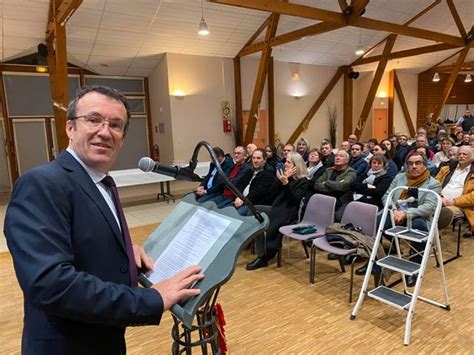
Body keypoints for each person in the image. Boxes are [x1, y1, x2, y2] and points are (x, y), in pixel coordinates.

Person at [4, 86, 204, 354]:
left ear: (122, 137)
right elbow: (51, 284)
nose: (105, 131)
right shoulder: (41, 184)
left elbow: (82, 239)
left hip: (102, 337)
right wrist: (151, 299)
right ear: (70, 128)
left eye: (116, 124)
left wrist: (122, 251)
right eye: (94, 119)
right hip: (67, 344)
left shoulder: (100, 181)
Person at [381, 152, 441, 287]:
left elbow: (429, 207)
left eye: (418, 163)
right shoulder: (399, 177)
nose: (414, 166)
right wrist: (394, 210)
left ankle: (414, 267)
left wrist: (405, 213)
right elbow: (387, 196)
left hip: (418, 216)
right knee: (378, 220)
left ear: (425, 166)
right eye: (410, 163)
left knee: (419, 227)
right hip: (396, 212)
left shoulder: (433, 184)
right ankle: (375, 261)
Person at [246, 152, 309, 270]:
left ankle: (264, 255)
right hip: (278, 207)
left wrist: (285, 183)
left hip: (289, 212)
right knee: (255, 212)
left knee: (267, 221)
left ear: (296, 165)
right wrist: (281, 179)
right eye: (285, 161)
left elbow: (294, 201)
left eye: (288, 162)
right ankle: (261, 251)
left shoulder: (304, 181)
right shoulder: (286, 177)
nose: (285, 164)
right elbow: (273, 192)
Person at [436, 145, 474, 238]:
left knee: (439, 213)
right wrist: (440, 197)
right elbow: (434, 184)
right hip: (439, 200)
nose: (461, 156)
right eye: (459, 154)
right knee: (423, 209)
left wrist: (452, 201)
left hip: (460, 205)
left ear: (472, 157)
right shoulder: (446, 169)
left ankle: (430, 243)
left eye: (465, 154)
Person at [312, 150, 357, 221]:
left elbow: (341, 186)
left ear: (347, 160)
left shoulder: (351, 172)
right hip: (324, 197)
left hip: (339, 200)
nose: (338, 158)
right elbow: (317, 184)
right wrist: (334, 186)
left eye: (341, 156)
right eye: (336, 156)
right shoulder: (329, 170)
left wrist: (327, 182)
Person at [233, 148, 279, 216]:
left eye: (258, 158)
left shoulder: (269, 174)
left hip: (253, 204)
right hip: (241, 200)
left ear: (264, 160)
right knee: (226, 211)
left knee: (235, 216)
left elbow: (257, 193)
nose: (255, 160)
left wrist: (243, 200)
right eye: (253, 158)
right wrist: (238, 197)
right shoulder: (250, 171)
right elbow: (240, 185)